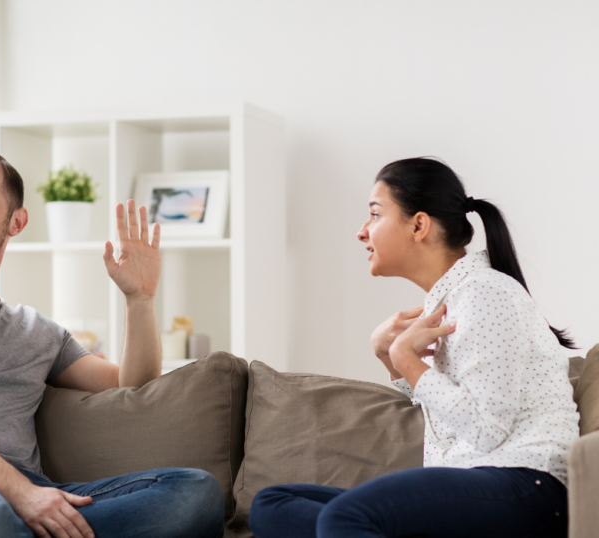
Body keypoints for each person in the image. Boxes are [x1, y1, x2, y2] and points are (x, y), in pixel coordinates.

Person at [0, 148, 224, 538]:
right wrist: (21, 494)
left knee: (196, 492)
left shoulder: (37, 330)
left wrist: (140, 300)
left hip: (31, 491)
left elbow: (130, 384)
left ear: (17, 222)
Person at [248, 157, 579, 538]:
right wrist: (390, 360)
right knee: (273, 504)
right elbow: (449, 421)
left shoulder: (487, 293)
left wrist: (406, 359)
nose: (361, 231)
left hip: (525, 487)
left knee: (346, 517)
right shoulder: (450, 303)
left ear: (419, 225)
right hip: (475, 483)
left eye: (374, 214)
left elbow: (487, 430)